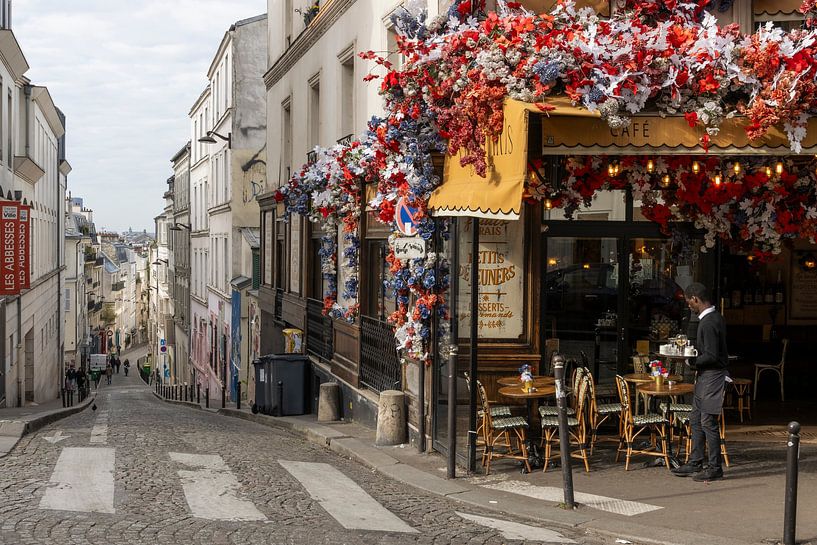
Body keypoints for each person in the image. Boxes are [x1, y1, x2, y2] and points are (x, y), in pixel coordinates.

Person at [673, 282, 729, 482]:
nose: (689, 306)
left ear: (695, 299)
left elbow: (712, 355)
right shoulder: (715, 318)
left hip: (712, 376)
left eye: (689, 302)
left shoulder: (708, 321)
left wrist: (690, 360)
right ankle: (695, 461)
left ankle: (715, 467)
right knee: (696, 419)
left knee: (707, 421)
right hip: (707, 376)